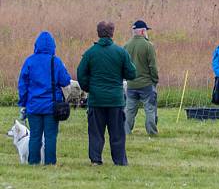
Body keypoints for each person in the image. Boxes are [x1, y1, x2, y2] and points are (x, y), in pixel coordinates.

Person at [77, 21, 137, 165]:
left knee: (96, 132)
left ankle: (96, 160)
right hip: (115, 100)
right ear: (112, 33)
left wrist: (89, 88)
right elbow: (132, 73)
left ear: (98, 33)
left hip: (96, 99)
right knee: (117, 133)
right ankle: (119, 161)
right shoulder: (121, 52)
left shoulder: (90, 53)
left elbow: (80, 74)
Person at [17, 31, 72, 165]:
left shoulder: (29, 61)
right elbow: (65, 81)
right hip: (51, 106)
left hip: (33, 105)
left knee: (35, 136)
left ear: (36, 45)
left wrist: (23, 103)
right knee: (50, 136)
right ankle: (50, 162)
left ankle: (33, 162)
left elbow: (22, 85)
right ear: (53, 46)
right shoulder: (56, 61)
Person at [123, 20, 159, 136]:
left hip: (131, 85)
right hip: (146, 84)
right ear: (143, 31)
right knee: (150, 109)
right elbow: (152, 66)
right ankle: (152, 132)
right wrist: (155, 80)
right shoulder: (148, 46)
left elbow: (124, 66)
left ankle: (125, 131)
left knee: (129, 110)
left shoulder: (126, 46)